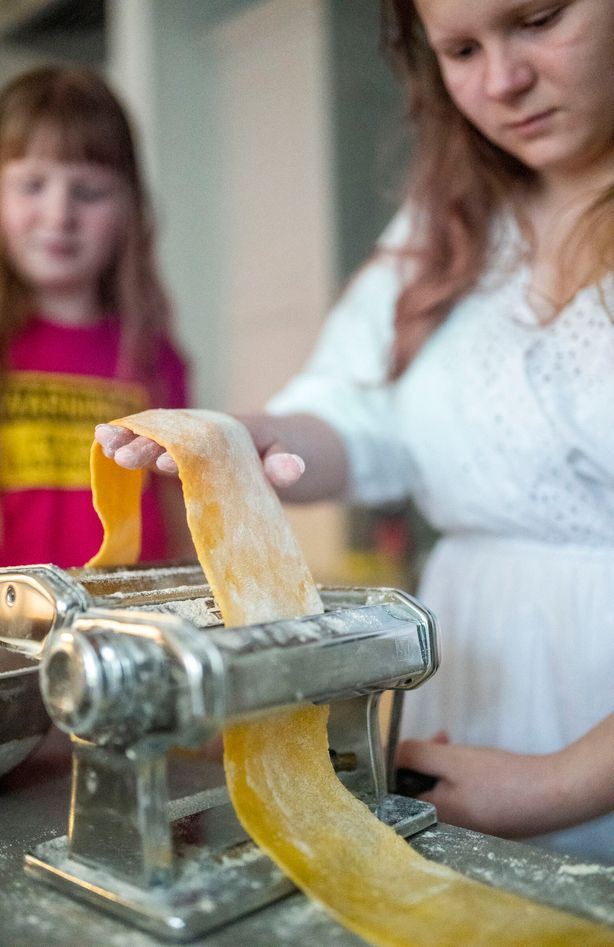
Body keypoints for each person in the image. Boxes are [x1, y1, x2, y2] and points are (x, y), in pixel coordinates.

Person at [94, 0, 614, 865]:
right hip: (475, 677)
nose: (503, 80)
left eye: (538, 19)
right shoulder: (450, 222)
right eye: (460, 49)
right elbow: (358, 415)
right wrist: (250, 439)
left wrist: (558, 782)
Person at [0, 65, 195, 571]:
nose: (59, 215)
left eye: (89, 191)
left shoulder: (156, 359)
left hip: (122, 637)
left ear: (129, 206)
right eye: (32, 184)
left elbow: (182, 522)